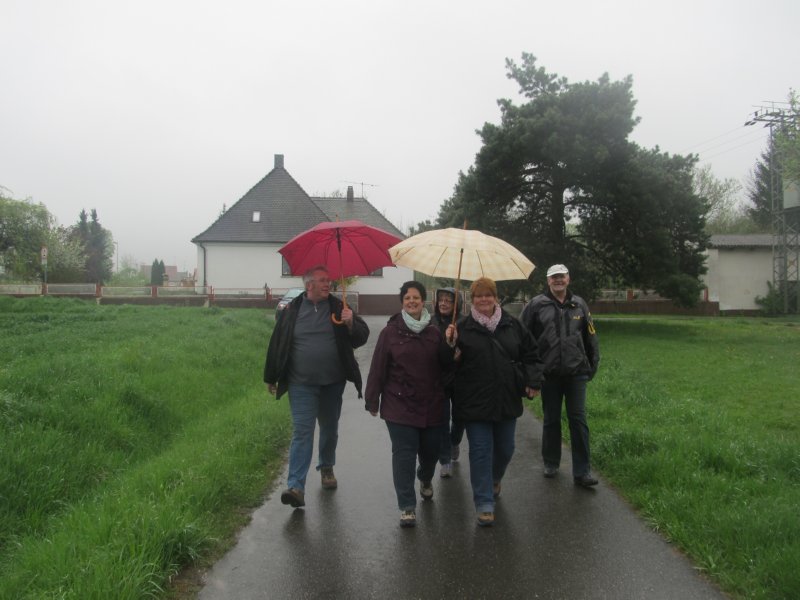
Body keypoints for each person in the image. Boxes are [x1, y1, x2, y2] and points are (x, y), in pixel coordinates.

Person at [264, 265, 370, 508]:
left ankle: (326, 466)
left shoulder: (338, 307)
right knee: (302, 432)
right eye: (322, 280)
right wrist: (271, 376)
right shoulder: (291, 311)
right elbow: (277, 343)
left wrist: (351, 323)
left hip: (332, 382)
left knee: (329, 428)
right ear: (308, 284)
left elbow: (361, 336)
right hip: (300, 383)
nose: (327, 284)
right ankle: (296, 486)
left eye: (328, 280)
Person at [446, 277, 542, 527]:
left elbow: (531, 353)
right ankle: (484, 502)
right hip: (474, 401)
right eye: (479, 296)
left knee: (505, 448)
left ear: (495, 297)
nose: (484, 299)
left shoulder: (512, 325)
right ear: (472, 299)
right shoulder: (461, 328)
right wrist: (449, 346)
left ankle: (494, 478)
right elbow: (445, 365)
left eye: (488, 295)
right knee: (480, 451)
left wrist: (533, 380)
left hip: (506, 398)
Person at [365, 281, 454, 528]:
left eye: (416, 297)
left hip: (431, 404)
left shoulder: (435, 333)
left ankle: (425, 478)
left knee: (430, 452)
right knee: (403, 454)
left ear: (423, 301)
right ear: (402, 302)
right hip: (399, 405)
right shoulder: (390, 333)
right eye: (407, 298)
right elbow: (378, 368)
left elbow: (447, 367)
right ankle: (407, 506)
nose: (412, 301)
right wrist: (372, 399)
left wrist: (450, 344)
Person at [519, 264, 600, 488]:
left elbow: (590, 337)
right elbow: (523, 338)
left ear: (568, 279)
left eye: (561, 277)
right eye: (554, 277)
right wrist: (529, 372)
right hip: (550, 374)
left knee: (578, 420)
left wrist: (592, 365)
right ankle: (551, 462)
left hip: (576, 373)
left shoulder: (579, 304)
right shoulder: (536, 305)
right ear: (548, 281)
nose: (558, 280)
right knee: (551, 419)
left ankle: (582, 471)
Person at [430, 287, 465, 477]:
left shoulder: (464, 323)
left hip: (460, 379)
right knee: (442, 420)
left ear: (456, 304)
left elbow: (471, 347)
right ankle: (445, 461)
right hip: (439, 379)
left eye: (448, 300)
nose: (443, 303)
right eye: (441, 299)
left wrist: (461, 353)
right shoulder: (431, 322)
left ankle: (455, 441)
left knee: (460, 418)